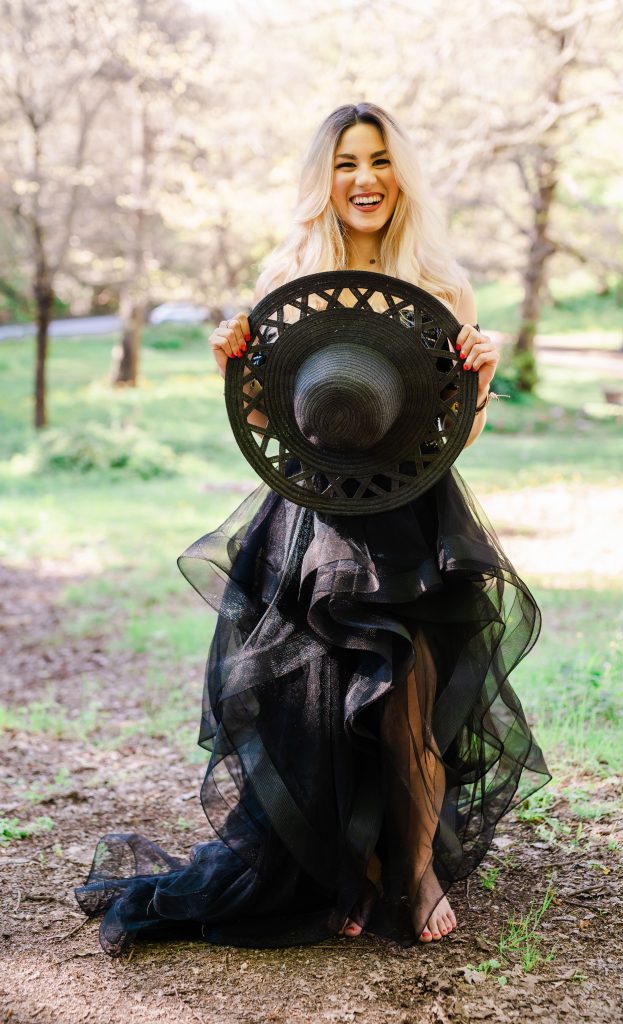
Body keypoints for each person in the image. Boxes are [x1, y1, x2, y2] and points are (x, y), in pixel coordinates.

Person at [74, 102, 551, 956]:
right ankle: (343, 871)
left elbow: (453, 436)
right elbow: (270, 421)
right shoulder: (288, 273)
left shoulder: (443, 284)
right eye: (344, 163)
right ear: (323, 179)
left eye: (378, 161)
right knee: (317, 708)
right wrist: (231, 365)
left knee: (409, 695)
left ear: (400, 174)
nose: (364, 179)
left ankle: (416, 872)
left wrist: (478, 382)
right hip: (312, 516)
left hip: (411, 513)